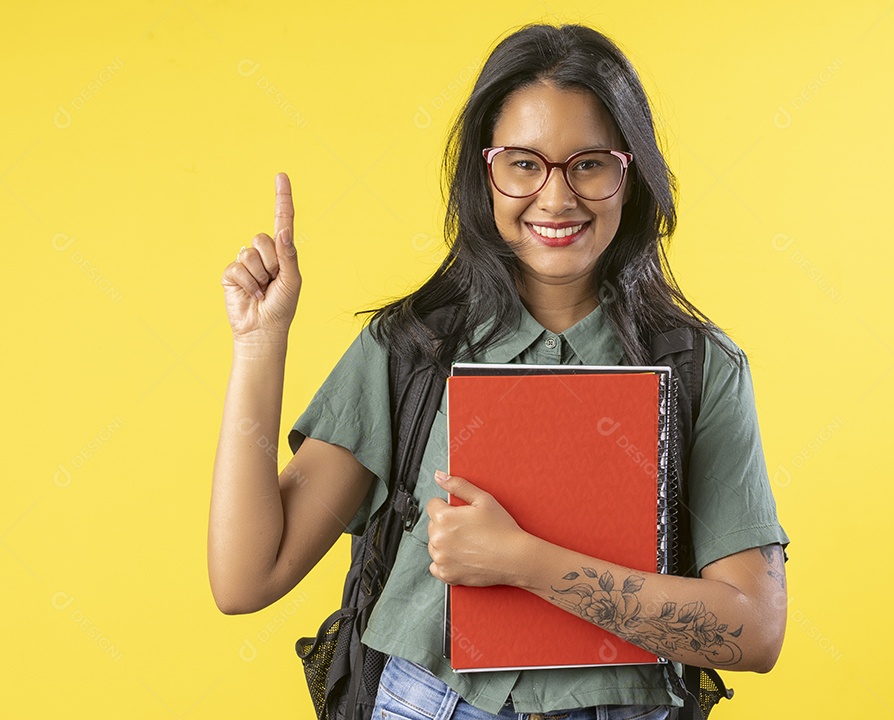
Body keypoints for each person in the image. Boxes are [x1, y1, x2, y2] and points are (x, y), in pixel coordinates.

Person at [209, 22, 788, 718]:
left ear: (630, 175)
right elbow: (245, 578)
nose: (555, 197)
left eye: (590, 163)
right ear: (485, 176)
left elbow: (754, 630)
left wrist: (523, 563)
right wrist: (258, 343)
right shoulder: (410, 351)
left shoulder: (700, 369)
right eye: (523, 163)